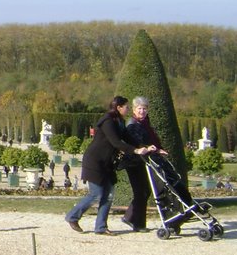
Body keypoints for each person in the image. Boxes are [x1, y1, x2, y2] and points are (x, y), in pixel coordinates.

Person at [66, 96, 153, 235]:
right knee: (96, 193)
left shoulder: (119, 122)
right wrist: (135, 150)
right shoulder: (108, 121)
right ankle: (72, 216)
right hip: (95, 161)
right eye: (126, 107)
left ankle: (100, 227)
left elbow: (129, 139)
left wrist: (147, 147)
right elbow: (116, 142)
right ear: (119, 107)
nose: (128, 109)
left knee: (109, 195)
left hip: (107, 164)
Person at [122, 96, 166, 232]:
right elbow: (135, 143)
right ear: (134, 110)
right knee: (141, 192)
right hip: (133, 162)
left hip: (141, 161)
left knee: (144, 191)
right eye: (139, 108)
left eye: (144, 109)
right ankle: (137, 223)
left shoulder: (144, 123)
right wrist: (149, 148)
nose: (142, 111)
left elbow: (147, 142)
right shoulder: (132, 124)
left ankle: (131, 219)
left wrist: (157, 150)